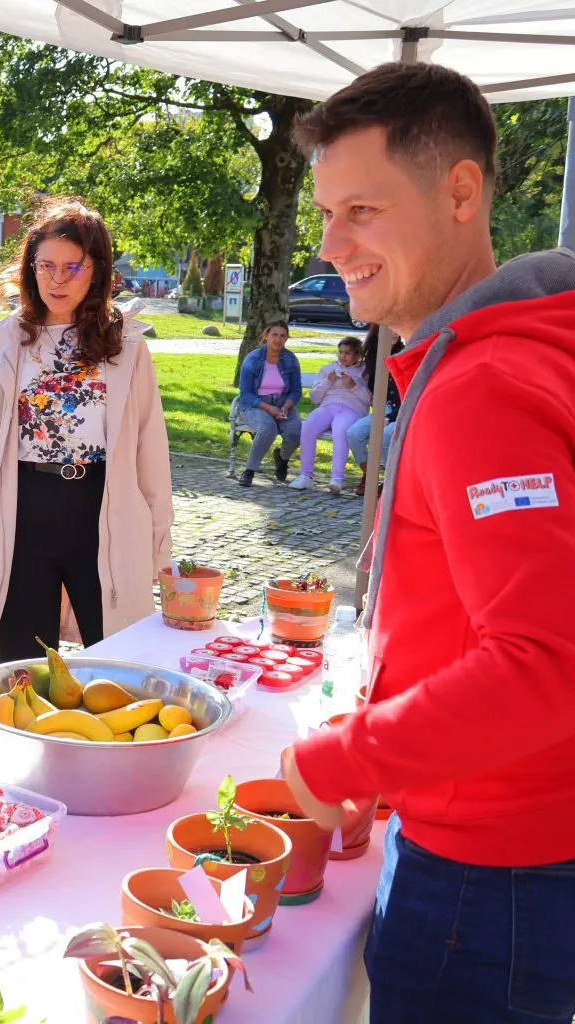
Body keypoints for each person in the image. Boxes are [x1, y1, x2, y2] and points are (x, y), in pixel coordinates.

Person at [278, 62, 575, 1023]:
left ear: (460, 191)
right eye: (325, 213)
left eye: (360, 208)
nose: (329, 245)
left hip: (495, 878)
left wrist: (340, 760)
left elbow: (545, 663)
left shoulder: (485, 386)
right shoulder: (525, 348)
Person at [0, 196, 173, 671]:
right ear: (30, 268)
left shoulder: (127, 345)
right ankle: (28, 744)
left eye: (72, 267)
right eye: (46, 265)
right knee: (23, 665)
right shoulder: (4, 341)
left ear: (97, 269)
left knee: (118, 657)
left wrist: (159, 544)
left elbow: (149, 448)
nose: (57, 279)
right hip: (23, 509)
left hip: (104, 507)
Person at [289, 335, 370, 495]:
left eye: (347, 353)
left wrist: (353, 387)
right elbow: (314, 398)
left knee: (341, 430)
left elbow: (371, 399)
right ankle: (306, 475)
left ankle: (337, 478)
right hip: (327, 406)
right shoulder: (328, 368)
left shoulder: (364, 371)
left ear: (357, 353)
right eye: (340, 352)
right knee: (308, 426)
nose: (343, 356)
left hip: (351, 409)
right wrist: (327, 382)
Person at [234, 322, 304, 487]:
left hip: (282, 403)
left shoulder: (290, 359)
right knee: (268, 427)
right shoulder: (253, 359)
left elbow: (296, 391)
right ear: (266, 335)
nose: (278, 339)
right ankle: (249, 471)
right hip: (255, 404)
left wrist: (286, 406)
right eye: (275, 335)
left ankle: (282, 458)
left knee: (296, 431)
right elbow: (245, 394)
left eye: (283, 336)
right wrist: (268, 408)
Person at [346, 326, 404, 496]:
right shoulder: (375, 355)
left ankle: (390, 481)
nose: (393, 332)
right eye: (388, 328)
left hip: (403, 408)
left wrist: (392, 417)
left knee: (386, 436)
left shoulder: (405, 353)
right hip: (383, 406)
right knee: (354, 434)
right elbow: (373, 390)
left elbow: (408, 391)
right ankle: (369, 475)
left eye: (396, 328)